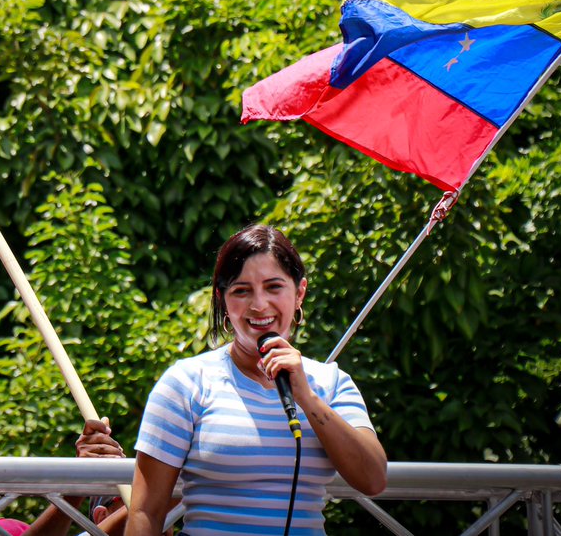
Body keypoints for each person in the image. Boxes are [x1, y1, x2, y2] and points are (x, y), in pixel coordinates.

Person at [125, 224, 387, 536]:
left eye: (274, 287)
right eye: (241, 291)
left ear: (299, 292)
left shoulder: (331, 383)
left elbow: (373, 479)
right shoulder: (186, 383)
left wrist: (306, 396)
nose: (259, 305)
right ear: (223, 301)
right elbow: (146, 512)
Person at [0, 418, 128, 536]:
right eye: (131, 496)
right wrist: (82, 475)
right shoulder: (8, 529)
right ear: (102, 517)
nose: (141, 498)